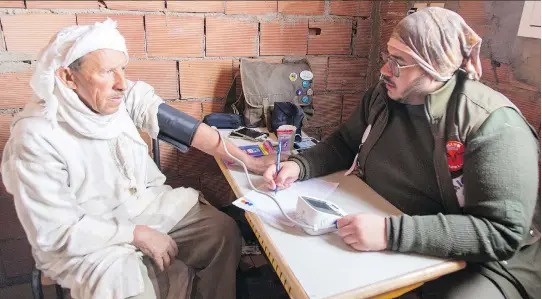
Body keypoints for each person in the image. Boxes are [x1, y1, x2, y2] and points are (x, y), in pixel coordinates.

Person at [263, 7, 540, 299]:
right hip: (390, 222)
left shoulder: (492, 124)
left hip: (486, 263)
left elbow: (501, 233)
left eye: (399, 62)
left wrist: (389, 233)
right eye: (388, 56)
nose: (385, 70)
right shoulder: (384, 97)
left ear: (434, 67)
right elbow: (345, 142)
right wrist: (299, 165)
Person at [1, 19, 275, 299]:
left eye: (122, 68)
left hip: (142, 207)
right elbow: (57, 230)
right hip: (89, 233)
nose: (121, 83)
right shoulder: (35, 138)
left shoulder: (118, 96)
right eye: (107, 72)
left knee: (222, 232)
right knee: (129, 286)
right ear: (68, 78)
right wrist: (137, 234)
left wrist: (245, 159)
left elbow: (183, 127)